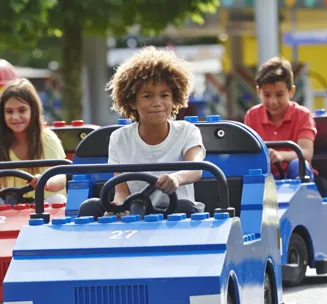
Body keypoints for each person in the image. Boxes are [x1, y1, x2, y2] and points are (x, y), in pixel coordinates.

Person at [78, 46, 206, 220]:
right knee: (90, 207)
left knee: (184, 207)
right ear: (132, 102)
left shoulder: (187, 131)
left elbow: (196, 169)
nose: (157, 103)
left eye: (165, 95)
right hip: (137, 211)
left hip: (177, 213)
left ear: (174, 97)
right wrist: (118, 207)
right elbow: (121, 191)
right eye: (147, 96)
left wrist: (176, 178)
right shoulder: (119, 138)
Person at [244, 56, 317, 180]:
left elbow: (306, 153)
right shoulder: (252, 115)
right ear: (258, 91)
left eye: (279, 95)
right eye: (267, 95)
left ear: (291, 91)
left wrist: (281, 155)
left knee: (297, 165)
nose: (273, 101)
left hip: (297, 178)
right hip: (266, 179)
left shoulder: (303, 115)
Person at [0, 78, 67, 205]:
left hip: (43, 204)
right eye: (9, 111)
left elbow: (60, 177)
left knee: (58, 200)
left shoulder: (47, 139)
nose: (15, 117)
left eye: (22, 110)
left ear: (33, 110)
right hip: (8, 206)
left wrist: (46, 182)